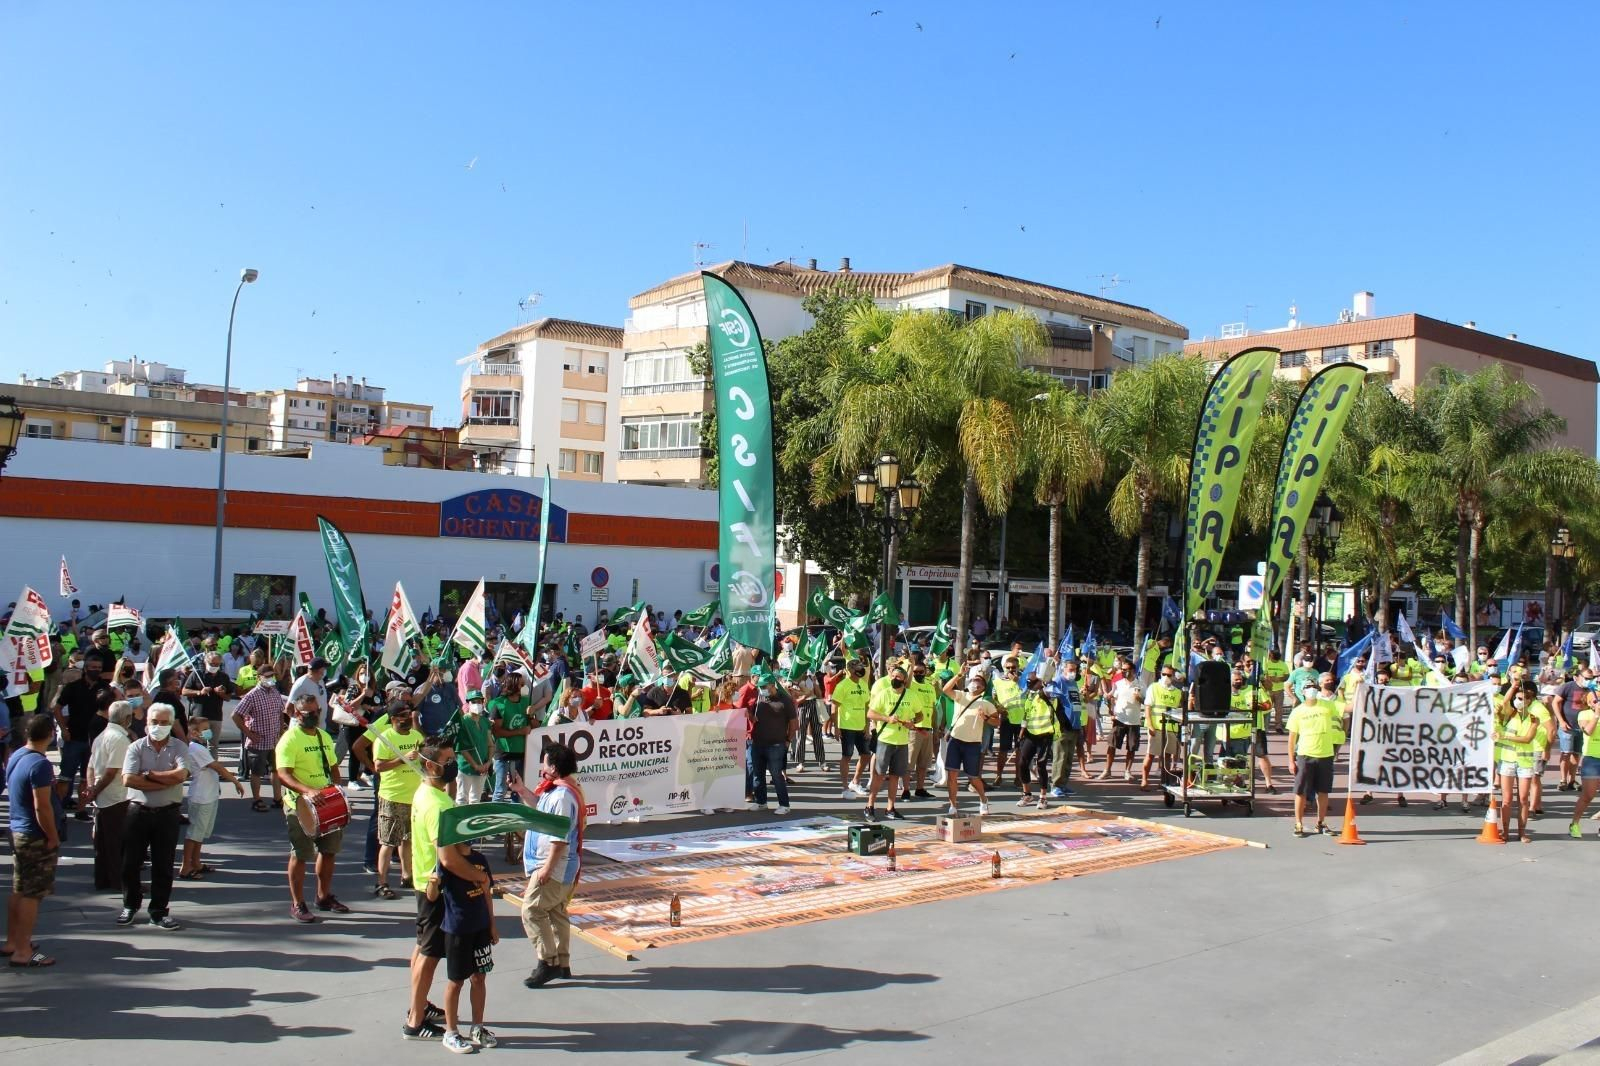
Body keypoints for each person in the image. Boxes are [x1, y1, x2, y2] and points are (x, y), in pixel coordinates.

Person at [406, 736, 489, 1041]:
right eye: (448, 760)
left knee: (422, 947)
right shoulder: (438, 807)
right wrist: (478, 877)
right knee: (429, 953)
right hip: (436, 887)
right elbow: (449, 859)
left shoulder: (427, 794)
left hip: (423, 879)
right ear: (430, 765)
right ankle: (415, 1020)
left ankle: (420, 1005)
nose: (453, 765)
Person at [511, 741, 584, 989]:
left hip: (555, 867)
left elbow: (559, 839)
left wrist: (547, 869)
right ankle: (562, 962)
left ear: (553, 766)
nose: (541, 768)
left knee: (531, 910)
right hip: (555, 866)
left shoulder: (562, 796)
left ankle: (548, 961)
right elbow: (540, 811)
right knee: (555, 913)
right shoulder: (556, 790)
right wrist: (522, 791)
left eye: (544, 763)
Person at [275, 694, 348, 923]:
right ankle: (297, 903)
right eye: (309, 713)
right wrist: (307, 791)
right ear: (297, 714)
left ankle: (323, 896)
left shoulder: (324, 736)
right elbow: (284, 774)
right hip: (300, 804)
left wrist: (336, 790)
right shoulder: (290, 739)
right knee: (301, 854)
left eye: (317, 712)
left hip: (326, 801)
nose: (314, 716)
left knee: (329, 851)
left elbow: (333, 767)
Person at [118, 702, 189, 929]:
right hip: (138, 811)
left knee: (163, 865)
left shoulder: (179, 747)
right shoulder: (136, 747)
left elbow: (180, 775)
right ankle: (130, 904)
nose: (159, 726)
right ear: (146, 723)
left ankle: (158, 910)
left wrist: (148, 776)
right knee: (130, 863)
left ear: (171, 724)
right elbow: (128, 779)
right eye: (154, 722)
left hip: (168, 814)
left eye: (164, 723)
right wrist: (163, 781)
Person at [427, 842, 498, 1053]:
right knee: (456, 982)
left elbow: (487, 894)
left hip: (480, 928)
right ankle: (451, 1032)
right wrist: (433, 883)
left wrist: (492, 925)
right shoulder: (448, 861)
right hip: (457, 929)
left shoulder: (480, 859)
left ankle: (477, 1027)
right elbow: (431, 895)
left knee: (479, 977)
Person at [5, 714, 62, 967]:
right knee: (33, 893)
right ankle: (23, 950)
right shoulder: (40, 765)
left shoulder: (18, 755)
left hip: (17, 830)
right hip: (34, 835)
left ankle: (13, 942)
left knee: (19, 888)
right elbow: (42, 807)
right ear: (50, 733)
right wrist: (52, 835)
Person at [356, 701, 425, 898]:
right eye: (403, 715)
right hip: (392, 796)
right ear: (393, 719)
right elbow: (379, 767)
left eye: (409, 714)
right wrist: (403, 758)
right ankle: (382, 882)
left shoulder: (416, 736)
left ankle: (407, 874)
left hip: (414, 795)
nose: (408, 718)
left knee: (408, 839)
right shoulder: (384, 738)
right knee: (388, 842)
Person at [179, 713, 243, 879]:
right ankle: (186, 866)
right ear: (194, 733)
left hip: (208, 795)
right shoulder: (196, 748)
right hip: (201, 797)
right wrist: (235, 781)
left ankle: (196, 862)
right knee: (194, 833)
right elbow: (217, 767)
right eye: (205, 730)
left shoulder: (200, 748)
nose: (208, 732)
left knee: (201, 833)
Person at [86, 700, 135, 892]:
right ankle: (119, 881)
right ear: (127, 718)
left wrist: (92, 788)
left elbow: (91, 766)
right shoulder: (118, 738)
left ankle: (104, 879)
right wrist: (95, 790)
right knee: (117, 843)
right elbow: (112, 771)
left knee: (104, 844)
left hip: (105, 797)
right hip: (116, 797)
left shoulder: (102, 736)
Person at [1287, 679, 1345, 837]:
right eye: (1307, 687)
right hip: (1305, 755)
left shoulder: (1328, 705)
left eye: (1314, 686)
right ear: (1302, 691)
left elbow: (1347, 708)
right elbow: (1292, 738)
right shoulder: (1298, 711)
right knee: (1301, 792)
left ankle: (1320, 822)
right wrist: (1291, 760)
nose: (1311, 689)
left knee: (1323, 791)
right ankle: (1298, 823)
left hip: (1325, 754)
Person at [863, 665, 916, 822]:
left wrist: (911, 722)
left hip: (902, 742)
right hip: (885, 740)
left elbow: (919, 715)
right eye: (893, 676)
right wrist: (887, 718)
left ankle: (890, 808)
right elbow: (870, 713)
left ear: (905, 680)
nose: (894, 679)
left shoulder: (911, 695)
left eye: (898, 677)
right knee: (879, 776)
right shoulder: (884, 694)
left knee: (895, 776)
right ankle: (869, 806)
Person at [940, 670, 996, 816]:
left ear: (983, 686)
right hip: (955, 740)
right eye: (972, 680)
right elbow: (946, 689)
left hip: (972, 744)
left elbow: (997, 722)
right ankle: (953, 805)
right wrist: (959, 675)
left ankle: (983, 799)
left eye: (978, 681)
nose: (974, 683)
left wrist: (986, 718)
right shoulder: (961, 695)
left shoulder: (986, 702)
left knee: (973, 777)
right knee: (952, 775)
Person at [233, 664, 287, 812]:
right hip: (258, 741)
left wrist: (281, 730)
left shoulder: (275, 692)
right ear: (259, 677)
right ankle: (256, 799)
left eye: (272, 675)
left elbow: (280, 713)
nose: (271, 679)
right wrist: (249, 734)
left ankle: (277, 798)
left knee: (276, 770)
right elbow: (236, 715)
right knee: (256, 772)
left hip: (274, 740)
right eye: (267, 676)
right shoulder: (252, 695)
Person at [746, 667, 798, 815]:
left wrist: (788, 740)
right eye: (760, 687)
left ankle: (784, 804)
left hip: (776, 745)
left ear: (772, 685)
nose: (761, 689)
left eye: (764, 687)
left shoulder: (785, 700)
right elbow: (748, 712)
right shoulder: (759, 699)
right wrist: (750, 716)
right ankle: (761, 802)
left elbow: (794, 723)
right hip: (757, 743)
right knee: (758, 774)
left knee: (776, 775)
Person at [1496, 686, 1539, 844]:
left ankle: (1522, 832)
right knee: (1506, 799)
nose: (1517, 701)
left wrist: (1505, 736)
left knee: (1523, 799)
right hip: (1507, 759)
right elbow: (1504, 702)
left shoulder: (1534, 719)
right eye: (1517, 698)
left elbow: (1527, 738)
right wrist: (1513, 686)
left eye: (1521, 699)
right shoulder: (1511, 713)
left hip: (1524, 762)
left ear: (1529, 701)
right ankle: (1505, 831)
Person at [831, 659, 872, 799]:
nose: (861, 670)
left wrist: (867, 726)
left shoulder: (864, 684)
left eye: (862, 667)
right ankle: (844, 787)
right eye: (858, 668)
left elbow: (867, 705)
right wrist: (836, 727)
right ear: (850, 670)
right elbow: (834, 706)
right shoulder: (842, 685)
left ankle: (855, 781)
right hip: (847, 726)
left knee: (866, 755)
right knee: (847, 756)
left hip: (861, 726)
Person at [488, 672, 532, 802]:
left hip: (521, 752)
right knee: (501, 790)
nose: (524, 686)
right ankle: (496, 819)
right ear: (513, 685)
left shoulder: (526, 702)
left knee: (518, 790)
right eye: (521, 684)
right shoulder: (499, 704)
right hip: (504, 753)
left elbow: (533, 726)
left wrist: (531, 715)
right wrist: (519, 731)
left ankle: (516, 818)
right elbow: (497, 732)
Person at [1016, 676, 1058, 809]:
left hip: (1045, 734)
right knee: (1022, 763)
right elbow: (1026, 714)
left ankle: (1043, 798)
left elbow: (1050, 690)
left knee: (1041, 765)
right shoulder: (1029, 696)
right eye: (1029, 682)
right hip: (1030, 734)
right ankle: (1027, 794)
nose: (1030, 684)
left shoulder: (1047, 693)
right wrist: (1021, 732)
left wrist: (1046, 679)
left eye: (1034, 682)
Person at [1142, 667, 1183, 790]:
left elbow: (1178, 709)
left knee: (1167, 756)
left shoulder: (1177, 692)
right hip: (1157, 727)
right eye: (1164, 674)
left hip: (1171, 728)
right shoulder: (1154, 687)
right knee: (1150, 754)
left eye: (1169, 675)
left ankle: (1164, 781)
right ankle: (1144, 780)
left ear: (1173, 676)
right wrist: (1150, 725)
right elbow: (1148, 708)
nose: (1166, 677)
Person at [1102, 662, 1144, 781]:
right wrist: (1111, 711)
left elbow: (1147, 701)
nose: (1124, 672)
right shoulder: (1118, 684)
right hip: (1119, 719)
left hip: (1134, 720)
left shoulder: (1141, 684)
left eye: (1126, 670)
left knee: (1131, 748)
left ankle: (1127, 771)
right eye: (1122, 670)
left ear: (1133, 671)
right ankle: (1107, 770)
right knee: (1112, 745)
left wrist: (1139, 698)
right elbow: (1113, 698)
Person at [454, 690, 494, 804]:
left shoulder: (485, 721)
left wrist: (488, 762)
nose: (477, 704)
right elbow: (462, 748)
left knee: (476, 799)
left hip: (483, 764)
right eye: (473, 702)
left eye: (479, 701)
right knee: (462, 798)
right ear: (468, 704)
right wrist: (475, 766)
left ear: (483, 702)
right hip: (466, 767)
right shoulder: (463, 722)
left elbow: (490, 744)